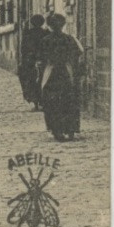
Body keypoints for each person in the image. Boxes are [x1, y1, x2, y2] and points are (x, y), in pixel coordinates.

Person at [37, 13, 83, 142]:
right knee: (69, 100)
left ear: (50, 26)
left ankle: (57, 130)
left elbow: (41, 57)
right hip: (66, 73)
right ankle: (70, 129)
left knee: (52, 103)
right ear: (63, 25)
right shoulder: (70, 39)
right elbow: (78, 53)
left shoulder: (45, 40)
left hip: (51, 73)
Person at [18, 14, 47, 109]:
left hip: (29, 61)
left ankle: (34, 102)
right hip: (42, 60)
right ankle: (42, 102)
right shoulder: (46, 33)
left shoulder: (28, 34)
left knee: (30, 81)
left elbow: (23, 49)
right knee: (42, 80)